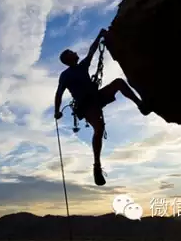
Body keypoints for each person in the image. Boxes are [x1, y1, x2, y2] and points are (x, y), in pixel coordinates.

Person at [54, 28, 150, 186]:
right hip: (86, 105)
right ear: (68, 59)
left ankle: (141, 105)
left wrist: (99, 35)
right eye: (72, 52)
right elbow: (58, 93)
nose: (75, 52)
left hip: (96, 97)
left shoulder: (82, 66)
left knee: (119, 83)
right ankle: (97, 166)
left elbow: (92, 51)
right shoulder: (66, 75)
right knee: (98, 129)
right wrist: (57, 111)